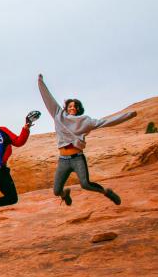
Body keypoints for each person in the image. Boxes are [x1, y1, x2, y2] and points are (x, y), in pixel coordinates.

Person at [38, 74, 136, 206]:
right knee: (56, 191)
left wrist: (128, 115)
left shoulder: (85, 121)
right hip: (63, 160)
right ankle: (65, 194)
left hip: (77, 158)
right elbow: (48, 99)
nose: (72, 108)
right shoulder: (58, 115)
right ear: (66, 108)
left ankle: (106, 192)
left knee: (85, 184)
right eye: (70, 106)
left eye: (75, 107)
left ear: (78, 110)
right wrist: (40, 82)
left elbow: (105, 122)